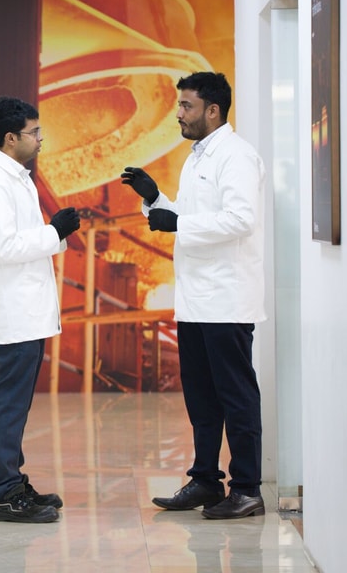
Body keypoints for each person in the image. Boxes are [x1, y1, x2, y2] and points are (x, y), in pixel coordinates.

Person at [121, 71, 267, 520]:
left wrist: (178, 223)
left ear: (213, 111)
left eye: (185, 106)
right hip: (196, 300)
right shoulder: (197, 156)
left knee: (236, 397)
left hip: (226, 298)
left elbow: (239, 219)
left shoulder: (237, 157)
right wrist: (155, 198)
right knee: (202, 399)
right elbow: (196, 214)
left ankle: (246, 488)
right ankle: (206, 479)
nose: (178, 113)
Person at [0, 96, 81, 524]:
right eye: (34, 132)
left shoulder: (18, 178)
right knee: (8, 405)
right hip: (12, 311)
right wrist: (54, 231)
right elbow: (4, 247)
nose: (40, 138)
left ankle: (12, 481)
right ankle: (2, 493)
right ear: (10, 138)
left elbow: (23, 237)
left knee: (16, 404)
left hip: (26, 309)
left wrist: (55, 230)